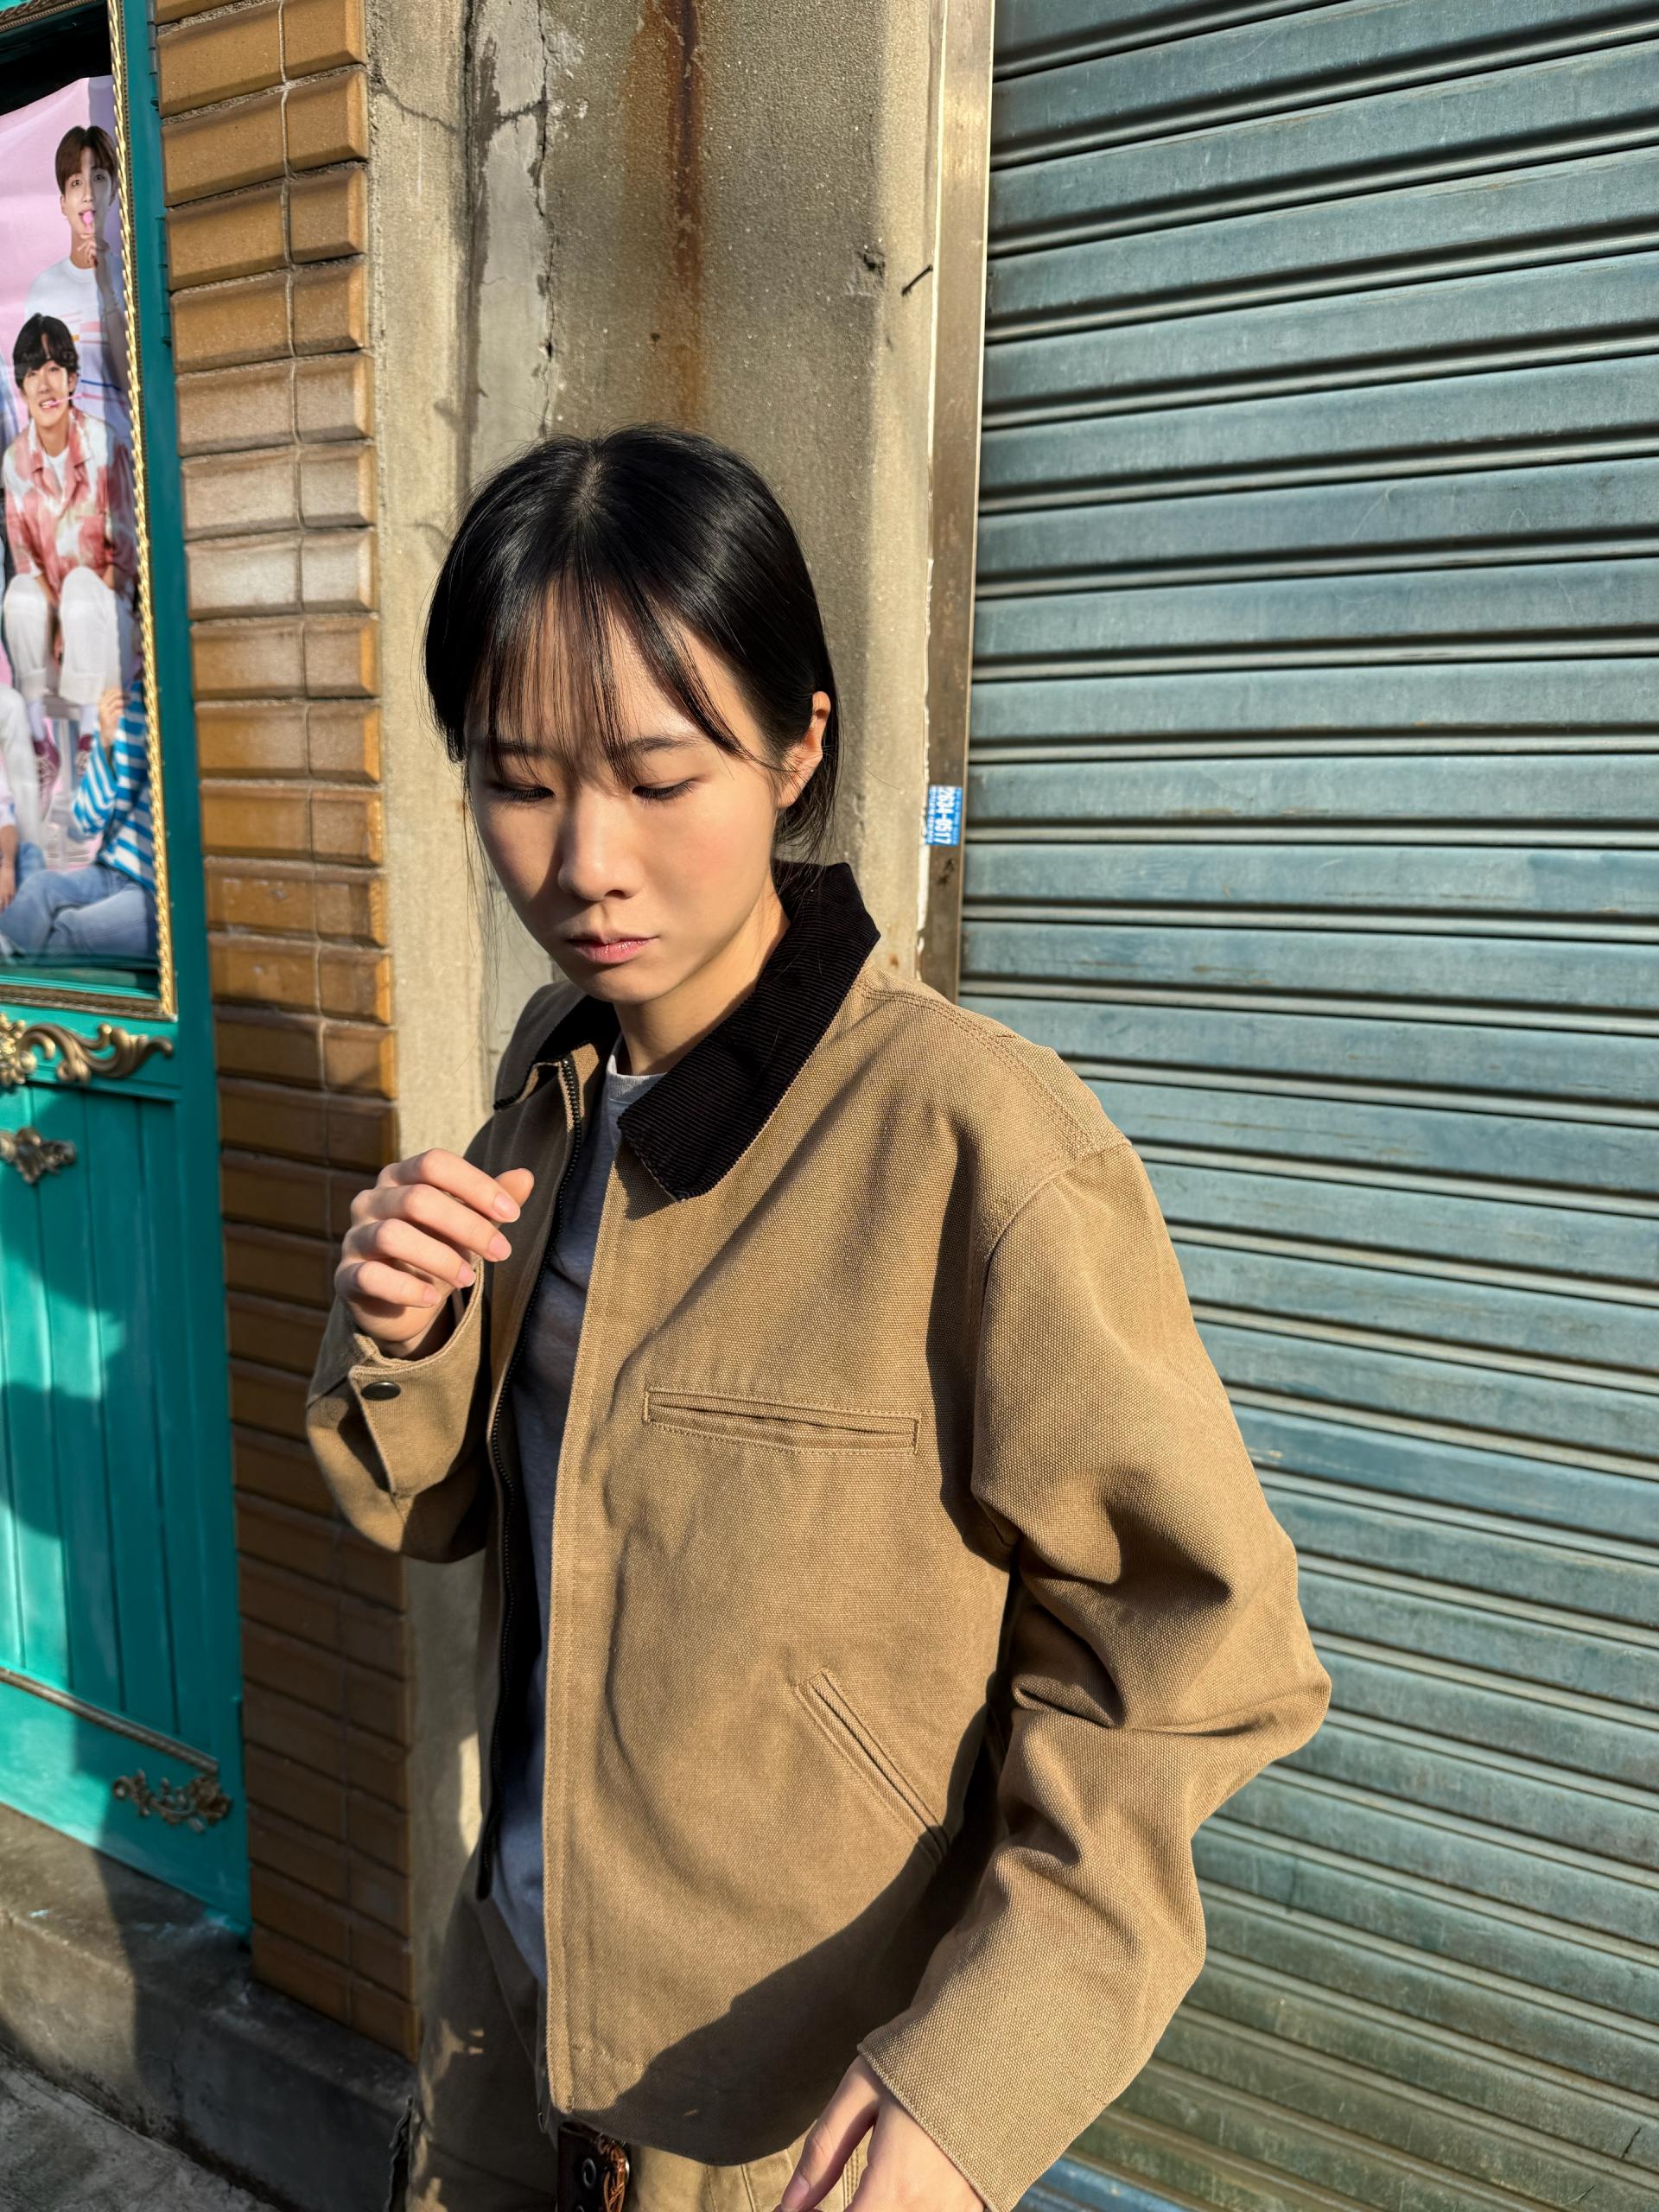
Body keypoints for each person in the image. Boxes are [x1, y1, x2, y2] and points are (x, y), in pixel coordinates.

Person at [305, 429, 1331, 2212]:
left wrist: (976, 2075)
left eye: (657, 773)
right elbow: (445, 1511)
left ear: (799, 744)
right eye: (519, 779)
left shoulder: (977, 1146)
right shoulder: (548, 1086)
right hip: (504, 2038)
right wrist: (402, 1328)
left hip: (789, 2122)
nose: (585, 860)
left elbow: (1194, 1673)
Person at [3, 314, 136, 754]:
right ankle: (39, 741)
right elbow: (25, 559)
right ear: (21, 387)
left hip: (108, 612)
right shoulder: (15, 460)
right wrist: (58, 621)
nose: (44, 385)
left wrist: (75, 615)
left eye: (54, 369)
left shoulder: (103, 444)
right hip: (56, 616)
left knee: (81, 584)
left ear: (72, 379)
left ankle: (89, 738)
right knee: (20, 593)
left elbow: (126, 558)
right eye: (32, 374)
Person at [0, 677, 155, 962]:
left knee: (71, 929)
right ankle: (10, 969)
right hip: (113, 870)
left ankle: (18, 979)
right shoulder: (128, 707)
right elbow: (85, 823)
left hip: (157, 891)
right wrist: (105, 745)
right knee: (39, 887)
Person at [22, 123, 130, 443]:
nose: (87, 195)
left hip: (125, 455)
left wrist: (107, 290)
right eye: (76, 182)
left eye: (98, 178)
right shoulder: (43, 289)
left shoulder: (130, 276)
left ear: (113, 191)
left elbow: (133, 380)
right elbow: (36, 394)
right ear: (63, 202)